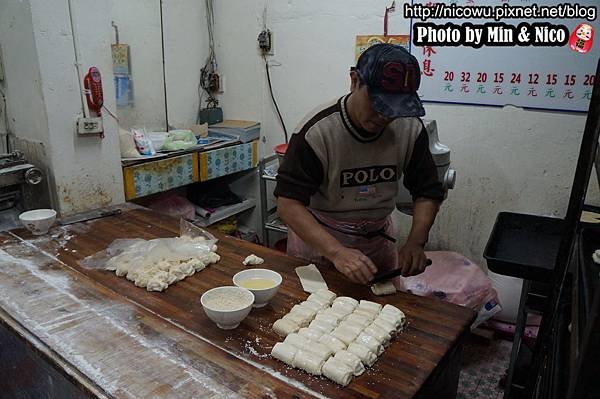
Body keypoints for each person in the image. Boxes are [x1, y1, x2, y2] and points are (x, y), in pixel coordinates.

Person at [274, 43, 444, 285]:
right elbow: (288, 204)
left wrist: (416, 241)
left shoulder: (410, 129)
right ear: (354, 81)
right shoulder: (317, 132)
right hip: (320, 241)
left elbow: (427, 191)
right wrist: (336, 252)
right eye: (378, 105)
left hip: (376, 239)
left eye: (395, 109)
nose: (385, 116)